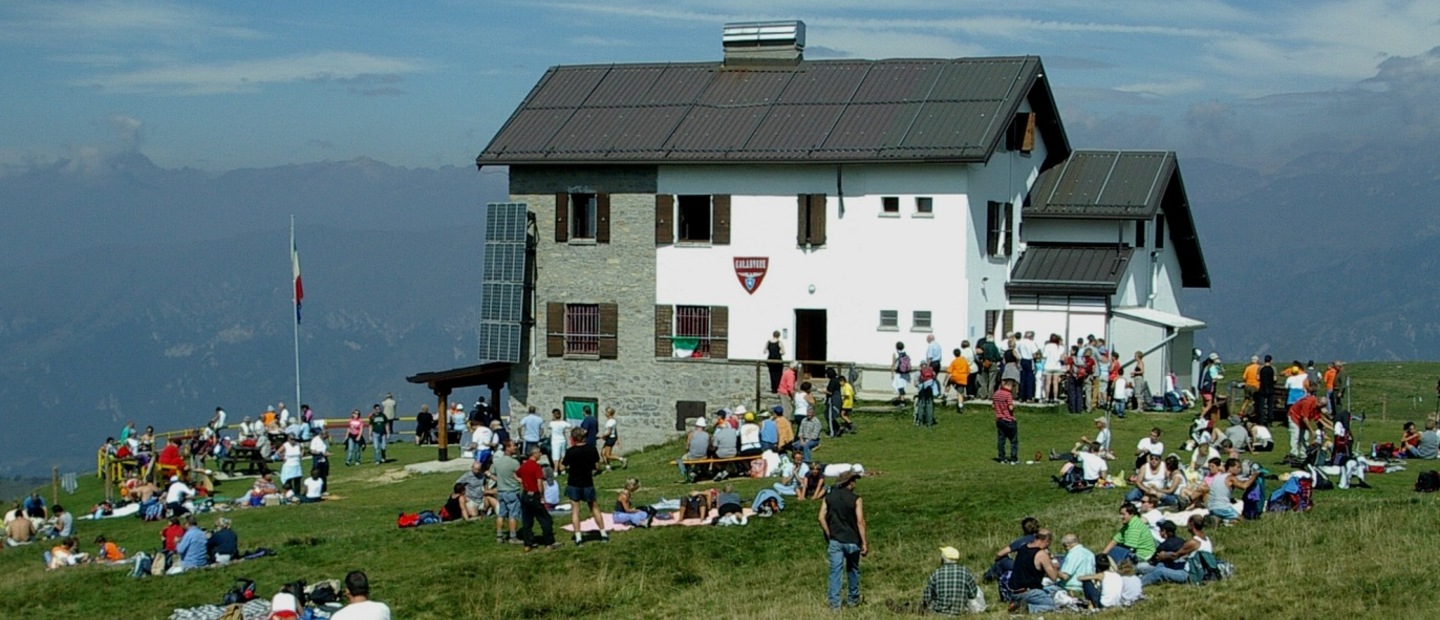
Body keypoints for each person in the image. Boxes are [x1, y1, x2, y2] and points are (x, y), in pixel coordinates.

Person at [818, 470, 868, 611]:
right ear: (848, 482)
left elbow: (821, 517)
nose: (855, 484)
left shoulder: (828, 498)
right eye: (853, 481)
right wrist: (864, 542)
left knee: (835, 572)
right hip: (852, 540)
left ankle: (835, 605)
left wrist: (829, 533)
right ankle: (853, 599)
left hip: (835, 540)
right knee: (853, 570)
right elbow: (860, 521)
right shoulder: (856, 499)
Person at [562, 427, 607, 545]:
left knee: (575, 511)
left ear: (573, 438)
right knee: (594, 508)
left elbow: (562, 466)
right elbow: (597, 466)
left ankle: (578, 537)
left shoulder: (570, 451)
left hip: (573, 483)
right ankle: (603, 533)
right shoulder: (592, 449)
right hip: (587, 482)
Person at [1140, 516, 1209, 585]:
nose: (1186, 526)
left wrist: (1163, 556)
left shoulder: (1193, 542)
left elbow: (1175, 556)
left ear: (1191, 524)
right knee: (1161, 566)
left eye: (1187, 523)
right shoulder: (1206, 539)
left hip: (1188, 574)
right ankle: (1143, 577)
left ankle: (1138, 583)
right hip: (1197, 570)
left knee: (1160, 572)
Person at [1006, 529, 1061, 614]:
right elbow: (1053, 577)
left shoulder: (1023, 548)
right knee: (1052, 605)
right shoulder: (1041, 554)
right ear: (1046, 541)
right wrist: (1055, 565)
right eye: (1048, 544)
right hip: (1029, 591)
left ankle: (1018, 603)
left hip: (1013, 591)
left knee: (1050, 589)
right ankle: (1027, 608)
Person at [920, 546, 985, 615]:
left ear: (943, 559)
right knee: (977, 588)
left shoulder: (936, 573)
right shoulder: (965, 572)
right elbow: (973, 594)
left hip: (940, 612)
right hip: (960, 611)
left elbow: (926, 596)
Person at [517, 447, 557, 552]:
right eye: (539, 453)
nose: (540, 454)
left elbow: (516, 474)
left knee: (527, 521)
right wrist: (541, 496)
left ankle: (527, 544)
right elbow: (539, 483)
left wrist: (523, 482)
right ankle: (549, 542)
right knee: (546, 519)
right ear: (534, 454)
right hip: (534, 495)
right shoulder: (536, 467)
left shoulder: (523, 466)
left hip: (525, 495)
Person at [491, 442, 523, 543]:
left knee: (501, 514)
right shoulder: (514, 463)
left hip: (501, 491)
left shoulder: (496, 461)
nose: (516, 447)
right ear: (507, 448)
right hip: (512, 491)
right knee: (513, 515)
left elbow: (492, 473)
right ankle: (513, 537)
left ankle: (499, 535)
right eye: (514, 446)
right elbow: (520, 475)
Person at [1208, 458, 1257, 523]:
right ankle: (1224, 521)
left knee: (1228, 516)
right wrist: (1254, 476)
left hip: (1211, 507)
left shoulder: (1218, 477)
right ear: (1230, 467)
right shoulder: (1230, 477)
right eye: (1238, 467)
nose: (1240, 469)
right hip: (1222, 507)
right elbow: (1244, 486)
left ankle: (1217, 518)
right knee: (1242, 521)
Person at [1287, 393, 1334, 461]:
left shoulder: (1318, 407)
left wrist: (1332, 427)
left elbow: (1319, 418)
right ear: (1318, 401)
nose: (1321, 407)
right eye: (1321, 405)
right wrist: (1312, 431)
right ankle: (1293, 454)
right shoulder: (1308, 402)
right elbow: (1305, 418)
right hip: (1295, 416)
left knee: (1305, 437)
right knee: (1296, 436)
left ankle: (1303, 455)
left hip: (1303, 420)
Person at [993, 377, 1019, 464]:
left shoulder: (996, 393)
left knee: (1001, 440)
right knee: (1013, 441)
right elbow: (1010, 407)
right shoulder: (1008, 395)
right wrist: (1015, 407)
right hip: (1009, 420)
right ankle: (1013, 458)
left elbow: (993, 406)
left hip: (999, 419)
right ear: (1010, 386)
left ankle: (1001, 457)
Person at [946, 348, 970, 412]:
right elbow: (968, 371)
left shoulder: (954, 361)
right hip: (963, 378)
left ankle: (945, 394)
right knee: (960, 393)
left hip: (955, 377)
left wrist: (945, 379)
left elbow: (949, 371)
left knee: (948, 382)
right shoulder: (964, 361)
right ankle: (960, 406)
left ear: (954, 354)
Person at [892, 341, 913, 405]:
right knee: (901, 386)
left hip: (899, 373)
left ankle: (902, 401)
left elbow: (893, 364)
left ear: (896, 347)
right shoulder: (905, 354)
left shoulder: (895, 354)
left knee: (899, 386)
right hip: (905, 373)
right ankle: (900, 398)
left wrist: (892, 373)